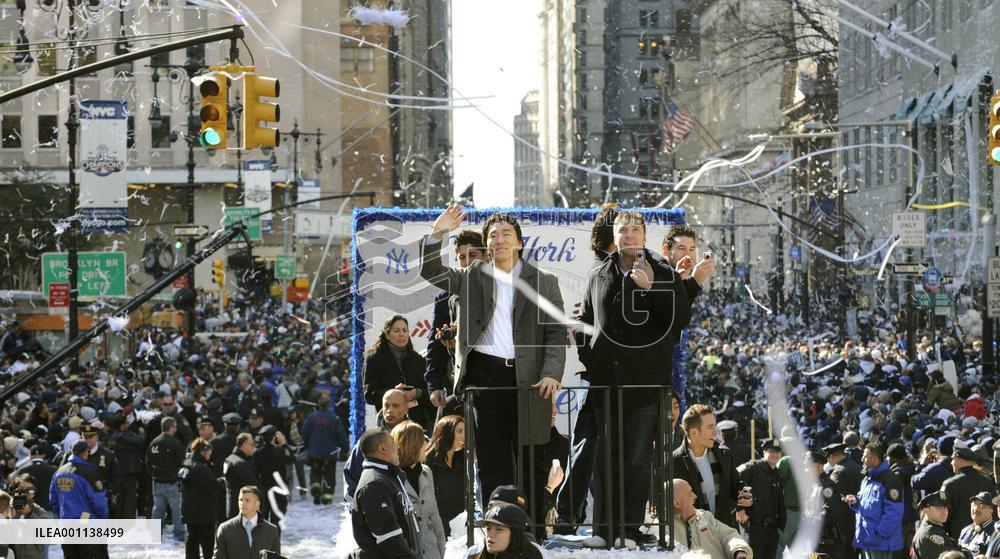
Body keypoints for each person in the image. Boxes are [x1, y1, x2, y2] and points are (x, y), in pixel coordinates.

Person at [418, 206, 567, 525]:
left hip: (530, 381)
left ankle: (533, 530)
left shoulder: (544, 281)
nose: (499, 240)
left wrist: (552, 373)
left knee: (531, 460)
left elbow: (556, 330)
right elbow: (432, 272)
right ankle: (495, 527)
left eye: (506, 235)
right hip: (484, 377)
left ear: (518, 243)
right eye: (493, 236)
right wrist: (437, 233)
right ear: (487, 246)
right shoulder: (474, 276)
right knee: (490, 460)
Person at [576, 210, 691, 547]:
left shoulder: (664, 270)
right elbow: (585, 320)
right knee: (605, 459)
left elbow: (681, 318)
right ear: (615, 234)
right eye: (623, 230)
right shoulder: (598, 272)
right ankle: (603, 529)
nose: (629, 236)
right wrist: (590, 357)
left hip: (645, 385)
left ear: (644, 236)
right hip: (605, 384)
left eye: (635, 230)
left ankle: (627, 529)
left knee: (636, 460)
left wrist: (651, 287)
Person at [554, 204, 617, 534]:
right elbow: (584, 326)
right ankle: (570, 513)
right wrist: (594, 363)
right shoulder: (601, 270)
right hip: (600, 378)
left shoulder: (612, 268)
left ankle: (575, 513)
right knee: (588, 448)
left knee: (592, 449)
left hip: (606, 376)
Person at [426, 229, 487, 410]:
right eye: (461, 257)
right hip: (461, 384)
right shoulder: (445, 297)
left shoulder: (503, 288)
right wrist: (435, 385)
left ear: (486, 255)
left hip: (498, 382)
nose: (467, 261)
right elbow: (435, 346)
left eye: (473, 255)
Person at [673, 405, 750, 530]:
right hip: (693, 536)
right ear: (694, 432)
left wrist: (744, 499)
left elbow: (735, 485)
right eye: (710, 427)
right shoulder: (674, 462)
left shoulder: (724, 454)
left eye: (715, 426)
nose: (716, 432)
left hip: (725, 531)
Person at [350, 429, 420, 559]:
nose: (398, 446)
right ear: (382, 448)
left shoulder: (387, 476)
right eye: (393, 442)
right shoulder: (374, 485)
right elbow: (390, 540)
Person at [363, 315, 436, 432]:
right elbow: (369, 395)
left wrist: (416, 393)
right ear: (387, 334)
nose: (401, 334)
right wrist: (394, 393)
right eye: (396, 331)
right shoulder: (374, 359)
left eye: (405, 330)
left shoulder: (418, 360)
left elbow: (432, 392)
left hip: (419, 425)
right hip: (389, 426)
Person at [392, 421, 447, 559]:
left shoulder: (427, 472)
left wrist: (443, 551)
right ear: (412, 445)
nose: (427, 444)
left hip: (431, 552)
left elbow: (435, 516)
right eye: (423, 440)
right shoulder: (391, 477)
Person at [345, 389, 411, 499]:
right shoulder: (369, 440)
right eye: (386, 406)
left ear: (406, 409)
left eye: (395, 406)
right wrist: (356, 506)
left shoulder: (418, 437)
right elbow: (351, 476)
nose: (390, 411)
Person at [50, 440, 109, 559]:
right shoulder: (89, 474)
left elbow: (53, 500)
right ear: (85, 453)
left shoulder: (59, 472)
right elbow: (99, 503)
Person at [845, 443, 904, 559]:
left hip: (880, 542)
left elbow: (894, 512)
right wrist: (855, 502)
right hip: (867, 539)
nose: (862, 459)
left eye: (865, 456)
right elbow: (866, 504)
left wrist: (879, 532)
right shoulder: (867, 478)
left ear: (874, 458)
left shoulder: (890, 480)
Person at [670, 478, 752, 559]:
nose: (695, 496)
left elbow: (728, 535)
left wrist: (739, 551)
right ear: (677, 503)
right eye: (690, 493)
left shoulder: (704, 516)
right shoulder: (664, 531)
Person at [738, 439, 786, 559]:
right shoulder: (753, 467)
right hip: (754, 525)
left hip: (772, 527)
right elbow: (736, 481)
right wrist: (740, 508)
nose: (775, 455)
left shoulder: (778, 473)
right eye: (771, 452)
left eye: (778, 452)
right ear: (764, 452)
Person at [300, 394, 350, 504]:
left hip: (315, 451)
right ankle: (327, 497)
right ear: (329, 405)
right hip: (330, 453)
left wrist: (307, 444)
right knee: (329, 475)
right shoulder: (335, 419)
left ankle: (316, 487)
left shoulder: (311, 417)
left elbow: (304, 433)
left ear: (318, 404)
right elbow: (342, 436)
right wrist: (346, 450)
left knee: (315, 471)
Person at [804, 451, 851, 559]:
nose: (807, 470)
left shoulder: (827, 486)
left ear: (820, 466)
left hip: (828, 541)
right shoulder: (813, 485)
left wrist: (811, 521)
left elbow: (831, 514)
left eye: (810, 466)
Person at [942, 444, 995, 539]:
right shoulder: (987, 481)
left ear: (960, 461)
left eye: (953, 459)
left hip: (958, 540)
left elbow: (943, 515)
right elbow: (993, 511)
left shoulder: (949, 484)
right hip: (986, 537)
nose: (951, 463)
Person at [426, 414, 467, 537]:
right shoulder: (428, 463)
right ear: (446, 433)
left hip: (460, 528)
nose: (464, 435)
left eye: (465, 431)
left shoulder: (463, 460)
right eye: (459, 431)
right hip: (436, 529)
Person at [213, 485, 281, 559]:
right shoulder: (225, 529)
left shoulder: (271, 531)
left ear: (257, 504)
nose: (242, 503)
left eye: (247, 500)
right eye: (241, 500)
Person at [147, 416, 186, 542]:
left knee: (157, 509)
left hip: (157, 481)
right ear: (170, 427)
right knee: (176, 510)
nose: (176, 429)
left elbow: (148, 463)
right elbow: (182, 463)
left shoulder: (153, 443)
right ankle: (179, 535)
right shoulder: (176, 444)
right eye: (174, 427)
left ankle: (154, 535)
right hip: (172, 482)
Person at [180, 438, 217, 559]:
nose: (210, 456)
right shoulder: (202, 468)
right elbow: (212, 487)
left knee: (192, 541)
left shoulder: (187, 464)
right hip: (204, 511)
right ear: (203, 452)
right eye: (209, 453)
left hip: (189, 510)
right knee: (208, 544)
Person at [468, 503, 543, 559]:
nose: (490, 534)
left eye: (499, 529)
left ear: (515, 534)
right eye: (488, 528)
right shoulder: (476, 553)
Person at [252, 424, 294, 523]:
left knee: (263, 520)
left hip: (264, 489)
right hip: (279, 490)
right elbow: (291, 458)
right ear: (274, 437)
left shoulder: (257, 453)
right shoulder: (280, 451)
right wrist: (284, 444)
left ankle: (264, 539)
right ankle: (275, 538)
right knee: (277, 521)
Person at [80, 422, 121, 518]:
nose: (87, 440)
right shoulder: (76, 454)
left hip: (101, 501)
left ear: (97, 437)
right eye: (85, 437)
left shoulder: (108, 455)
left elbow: (117, 477)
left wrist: (107, 492)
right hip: (82, 502)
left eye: (90, 437)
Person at [106, 414, 143, 518]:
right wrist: (142, 433)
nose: (128, 425)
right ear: (121, 425)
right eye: (126, 423)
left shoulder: (114, 436)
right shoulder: (121, 437)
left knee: (121, 497)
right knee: (129, 497)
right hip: (127, 471)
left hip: (118, 471)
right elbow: (139, 442)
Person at [8, 473, 53, 559]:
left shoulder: (39, 512)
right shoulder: (7, 508)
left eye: (30, 490)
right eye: (22, 489)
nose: (27, 493)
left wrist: (30, 514)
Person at [912, 491, 964, 559]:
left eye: (946, 507)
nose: (944, 511)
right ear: (926, 509)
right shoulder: (929, 534)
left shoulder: (936, 529)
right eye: (939, 507)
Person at [224, 432, 261, 519]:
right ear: (244, 445)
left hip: (235, 508)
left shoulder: (231, 459)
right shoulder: (240, 464)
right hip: (243, 511)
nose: (254, 447)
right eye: (252, 444)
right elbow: (252, 487)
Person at [959, 491, 996, 557]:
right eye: (974, 504)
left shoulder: (995, 533)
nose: (976, 508)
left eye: (982, 506)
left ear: (991, 510)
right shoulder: (965, 530)